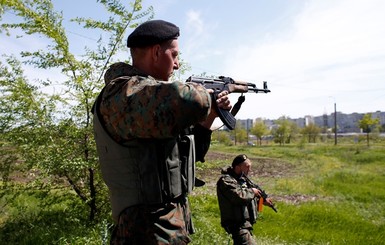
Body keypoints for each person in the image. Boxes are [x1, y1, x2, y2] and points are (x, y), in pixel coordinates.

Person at [92, 20, 231, 244]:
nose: (176, 65)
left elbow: (188, 156)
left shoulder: (153, 108)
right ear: (156, 52)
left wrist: (212, 114)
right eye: (174, 55)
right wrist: (208, 94)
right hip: (145, 232)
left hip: (166, 229)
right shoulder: (122, 94)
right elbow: (191, 100)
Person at [216, 154, 275, 245]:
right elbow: (239, 197)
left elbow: (250, 196)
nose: (249, 170)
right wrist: (253, 192)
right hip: (236, 224)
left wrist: (262, 201)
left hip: (244, 224)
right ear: (237, 167)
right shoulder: (226, 181)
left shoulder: (242, 180)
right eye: (247, 167)